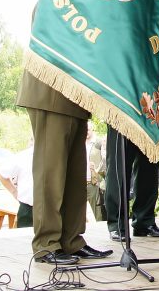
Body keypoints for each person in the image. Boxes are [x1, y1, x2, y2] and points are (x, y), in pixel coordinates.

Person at [17, 69, 113, 265]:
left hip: (76, 94)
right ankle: (47, 244)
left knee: (76, 177)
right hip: (51, 89)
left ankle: (72, 240)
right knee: (50, 173)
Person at [105, 129, 159, 239]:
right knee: (119, 166)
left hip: (148, 118)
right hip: (123, 115)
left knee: (149, 165)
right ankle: (117, 225)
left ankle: (144, 221)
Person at [0, 144, 34, 228]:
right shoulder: (24, 156)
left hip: (55, 207)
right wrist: (14, 192)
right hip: (28, 208)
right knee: (26, 238)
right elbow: (1, 173)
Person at [86, 126, 107, 222]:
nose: (86, 131)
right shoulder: (78, 142)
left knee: (97, 214)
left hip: (93, 183)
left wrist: (98, 176)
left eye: (88, 129)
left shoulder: (98, 143)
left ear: (92, 130)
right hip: (79, 183)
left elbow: (104, 161)